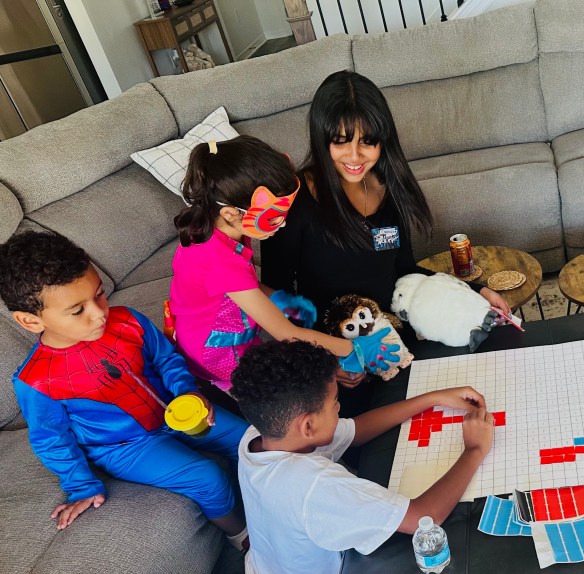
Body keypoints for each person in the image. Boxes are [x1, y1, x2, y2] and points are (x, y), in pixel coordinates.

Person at [213, 339, 493, 574]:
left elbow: (356, 430)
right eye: (335, 403)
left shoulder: (259, 436)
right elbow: (424, 516)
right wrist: (474, 450)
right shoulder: (314, 486)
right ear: (307, 425)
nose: (339, 408)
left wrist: (431, 399)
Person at [260, 70, 510, 396]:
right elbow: (274, 297)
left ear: (383, 139)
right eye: (341, 141)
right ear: (322, 139)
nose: (355, 156)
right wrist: (325, 360)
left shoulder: (387, 188)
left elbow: (404, 270)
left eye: (367, 141)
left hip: (395, 338)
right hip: (336, 354)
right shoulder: (295, 202)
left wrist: (475, 291)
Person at [1, 231, 250, 549]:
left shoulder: (129, 321)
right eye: (78, 310)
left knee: (249, 438)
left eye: (100, 294)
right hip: (124, 447)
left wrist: (187, 392)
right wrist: (81, 485)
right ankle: (241, 537)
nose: (100, 312)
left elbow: (165, 358)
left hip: (175, 411)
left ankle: (270, 499)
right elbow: (52, 440)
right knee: (208, 477)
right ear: (31, 321)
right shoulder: (35, 381)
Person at [169, 135, 398, 402]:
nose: (284, 224)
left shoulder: (218, 228)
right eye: (273, 218)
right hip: (217, 357)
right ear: (232, 213)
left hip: (231, 333)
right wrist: (354, 349)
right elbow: (286, 334)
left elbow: (241, 288)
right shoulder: (220, 261)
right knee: (283, 409)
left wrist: (279, 299)